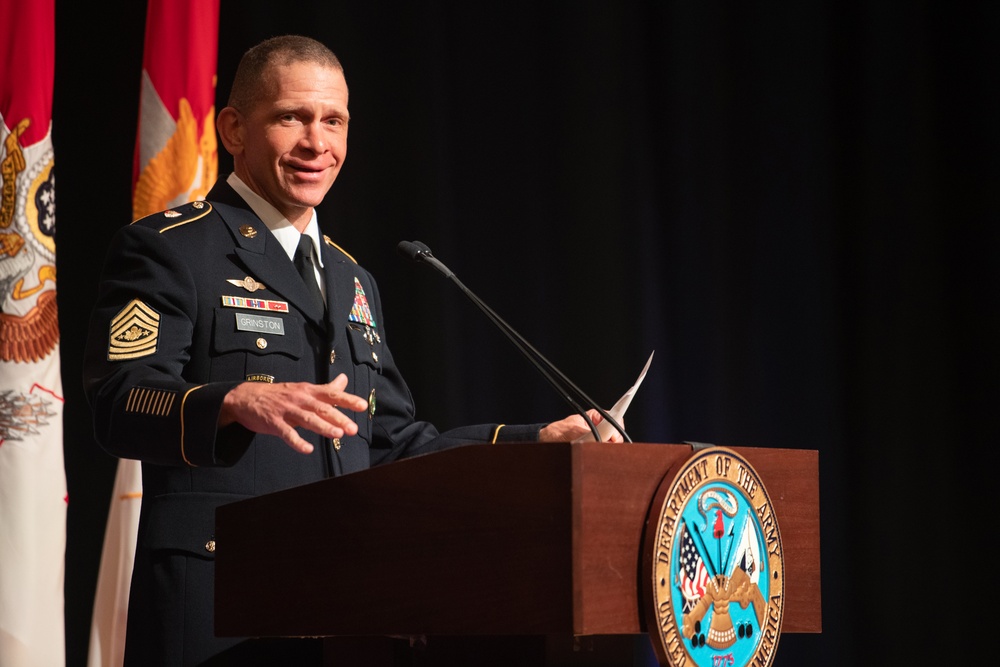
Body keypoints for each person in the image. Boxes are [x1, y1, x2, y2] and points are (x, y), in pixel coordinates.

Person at [83, 34, 618, 666]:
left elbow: (392, 443)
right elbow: (119, 402)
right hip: (220, 602)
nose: (317, 143)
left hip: (348, 608)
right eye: (291, 118)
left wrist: (534, 445)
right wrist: (231, 400)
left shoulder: (351, 278)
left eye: (333, 121)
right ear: (233, 129)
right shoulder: (172, 249)